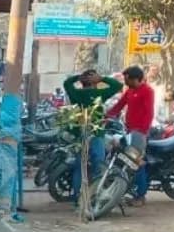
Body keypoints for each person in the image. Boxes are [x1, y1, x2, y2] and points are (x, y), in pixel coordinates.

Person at [62, 68, 122, 199]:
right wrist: (101, 78)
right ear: (94, 81)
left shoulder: (75, 93)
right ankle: (94, 196)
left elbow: (66, 83)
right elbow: (118, 85)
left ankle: (78, 197)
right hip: (96, 134)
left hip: (80, 134)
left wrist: (78, 77)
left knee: (80, 167)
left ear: (82, 82)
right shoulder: (99, 94)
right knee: (98, 166)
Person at [105, 65, 156, 204]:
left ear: (136, 79)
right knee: (124, 159)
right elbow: (119, 106)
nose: (125, 82)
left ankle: (141, 196)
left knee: (135, 163)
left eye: (127, 79)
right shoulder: (129, 91)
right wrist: (106, 116)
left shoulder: (147, 91)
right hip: (128, 131)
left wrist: (142, 131)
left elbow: (149, 113)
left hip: (139, 133)